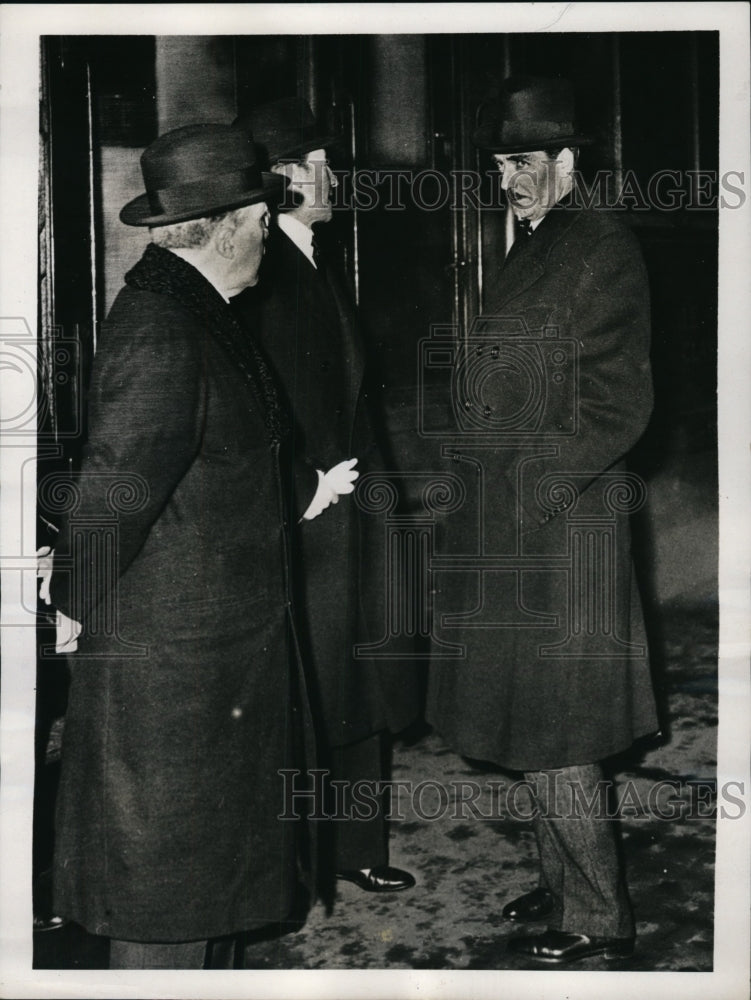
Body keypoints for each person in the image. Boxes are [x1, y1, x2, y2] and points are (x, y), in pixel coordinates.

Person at [42, 124, 354, 969]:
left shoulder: (197, 309)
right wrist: (70, 604)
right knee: (166, 903)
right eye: (260, 221)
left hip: (213, 662)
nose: (267, 236)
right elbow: (116, 487)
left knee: (207, 888)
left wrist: (304, 490)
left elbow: (223, 452)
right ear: (225, 228)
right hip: (174, 674)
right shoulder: (163, 327)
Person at [426, 77, 659, 964]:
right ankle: (561, 882)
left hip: (560, 529)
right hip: (516, 520)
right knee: (531, 718)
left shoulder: (600, 243)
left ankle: (597, 915)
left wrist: (529, 492)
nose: (507, 179)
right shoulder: (541, 238)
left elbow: (618, 403)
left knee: (561, 727)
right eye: (498, 165)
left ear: (565, 160)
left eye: (522, 162)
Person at [232, 98, 418, 894]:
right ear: (285, 176)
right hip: (307, 515)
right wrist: (304, 490)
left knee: (356, 677)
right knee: (312, 684)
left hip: (353, 508)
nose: (335, 177)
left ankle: (355, 847)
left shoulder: (313, 257)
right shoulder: (261, 271)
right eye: (321, 164)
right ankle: (303, 860)